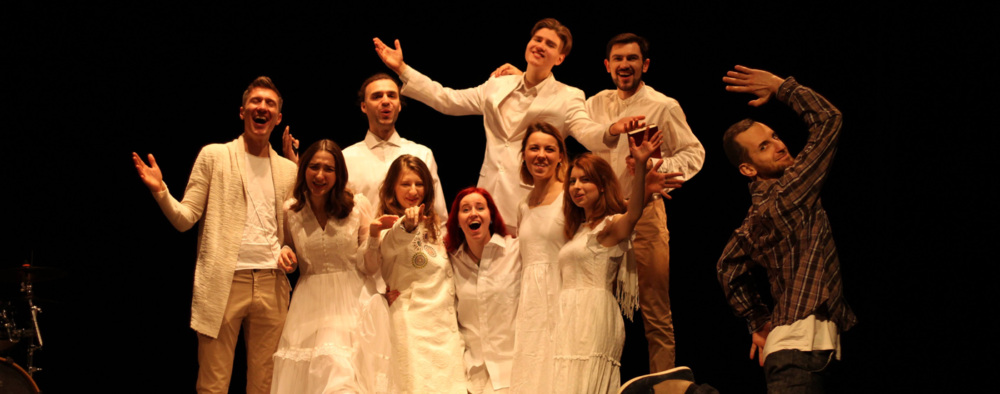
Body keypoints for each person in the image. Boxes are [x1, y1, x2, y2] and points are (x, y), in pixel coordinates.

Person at [373, 18, 645, 234]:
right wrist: (403, 70)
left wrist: (611, 129)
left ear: (560, 58)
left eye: (550, 44)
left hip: (533, 199)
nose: (540, 45)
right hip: (489, 194)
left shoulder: (568, 95)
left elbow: (586, 131)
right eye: (537, 39)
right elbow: (448, 99)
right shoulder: (497, 84)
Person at [131, 76, 296, 393]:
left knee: (266, 383)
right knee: (213, 385)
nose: (261, 108)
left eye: (269, 104)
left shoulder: (288, 171)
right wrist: (161, 191)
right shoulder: (214, 156)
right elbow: (185, 219)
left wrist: (290, 252)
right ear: (242, 111)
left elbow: (294, 235)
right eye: (255, 102)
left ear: (278, 117)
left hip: (271, 283)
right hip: (224, 281)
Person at [716, 65, 856, 393]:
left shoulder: (755, 217)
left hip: (798, 350)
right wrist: (782, 87)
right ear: (748, 168)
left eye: (774, 136)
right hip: (799, 352)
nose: (778, 145)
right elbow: (828, 120)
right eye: (764, 147)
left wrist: (759, 321)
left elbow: (727, 268)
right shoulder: (790, 193)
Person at [553, 131, 671, 394]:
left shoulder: (611, 226)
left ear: (603, 185)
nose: (576, 186)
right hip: (567, 313)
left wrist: (640, 166)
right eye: (572, 181)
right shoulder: (579, 229)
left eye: (585, 180)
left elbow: (634, 213)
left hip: (593, 312)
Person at [270, 140, 391, 394]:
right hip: (309, 304)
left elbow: (369, 267)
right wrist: (284, 252)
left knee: (342, 375)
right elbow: (288, 247)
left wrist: (373, 237)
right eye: (314, 167)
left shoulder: (356, 206)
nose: (320, 175)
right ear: (304, 169)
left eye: (329, 169)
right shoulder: (291, 210)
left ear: (339, 174)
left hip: (352, 302)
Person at [282, 73, 448, 220]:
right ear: (363, 106)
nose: (385, 101)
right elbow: (324, 205)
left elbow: (439, 216)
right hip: (363, 250)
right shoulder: (345, 158)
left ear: (399, 105)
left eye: (391, 96)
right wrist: (299, 169)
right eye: (377, 96)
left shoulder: (421, 154)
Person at [365, 155, 465, 393]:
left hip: (444, 331)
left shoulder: (435, 226)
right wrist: (406, 226)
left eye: (419, 184)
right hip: (412, 330)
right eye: (405, 184)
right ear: (392, 188)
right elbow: (390, 244)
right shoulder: (388, 225)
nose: (413, 190)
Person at [507, 122, 569, 394]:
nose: (541, 155)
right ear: (524, 155)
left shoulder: (571, 196)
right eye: (534, 148)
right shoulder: (523, 205)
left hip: (563, 294)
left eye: (549, 149)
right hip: (531, 301)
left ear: (560, 157)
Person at [444, 187, 520, 394]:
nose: (473, 213)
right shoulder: (451, 262)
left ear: (491, 216)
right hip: (474, 374)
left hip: (514, 368)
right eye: (465, 209)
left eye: (480, 207)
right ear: (457, 222)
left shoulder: (515, 251)